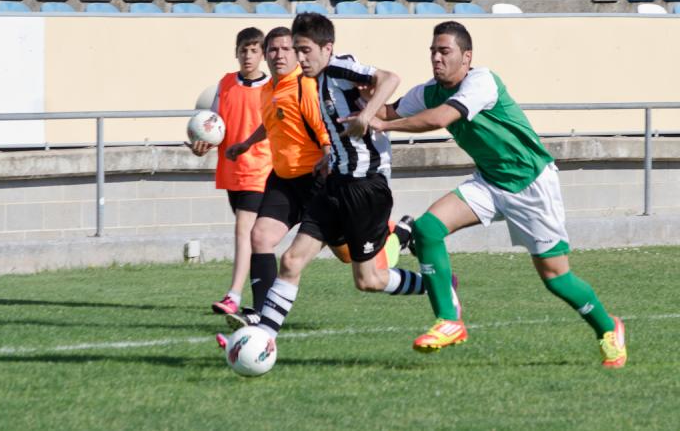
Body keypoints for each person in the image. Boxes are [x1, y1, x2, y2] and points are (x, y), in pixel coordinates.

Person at [364, 20, 626, 368]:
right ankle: (449, 321)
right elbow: (386, 110)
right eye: (433, 52)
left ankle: (609, 329)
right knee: (428, 229)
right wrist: (358, 88)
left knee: (556, 278)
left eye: (445, 52)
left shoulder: (482, 81)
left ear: (466, 56)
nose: (437, 59)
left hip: (531, 183)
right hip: (489, 181)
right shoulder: (426, 91)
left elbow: (440, 119)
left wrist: (383, 124)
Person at [223, 25, 421, 332]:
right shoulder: (271, 89)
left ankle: (401, 239)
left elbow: (330, 124)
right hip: (288, 180)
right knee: (268, 243)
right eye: (273, 50)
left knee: (357, 266)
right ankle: (262, 323)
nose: (283, 56)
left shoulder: (308, 85)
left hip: (323, 180)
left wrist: (337, 146)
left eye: (291, 49)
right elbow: (273, 124)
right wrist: (247, 144)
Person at [189, 27, 273, 317]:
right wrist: (202, 146)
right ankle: (265, 298)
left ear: (262, 54)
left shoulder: (271, 87)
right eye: (243, 50)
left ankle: (233, 295)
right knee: (256, 237)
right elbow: (214, 125)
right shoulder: (225, 84)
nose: (248, 56)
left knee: (244, 230)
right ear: (236, 52)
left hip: (260, 168)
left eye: (254, 50)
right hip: (231, 171)